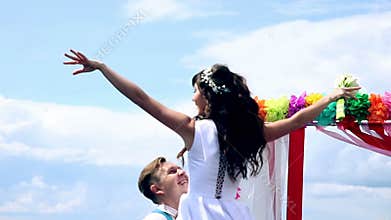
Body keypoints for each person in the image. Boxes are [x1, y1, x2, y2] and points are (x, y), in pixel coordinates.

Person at [64, 49, 360, 219]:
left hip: (199, 213)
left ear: (207, 96)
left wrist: (104, 68)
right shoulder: (250, 133)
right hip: (233, 214)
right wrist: (330, 97)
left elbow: (141, 98)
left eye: (195, 91)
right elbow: (298, 121)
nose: (192, 97)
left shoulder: (192, 129)